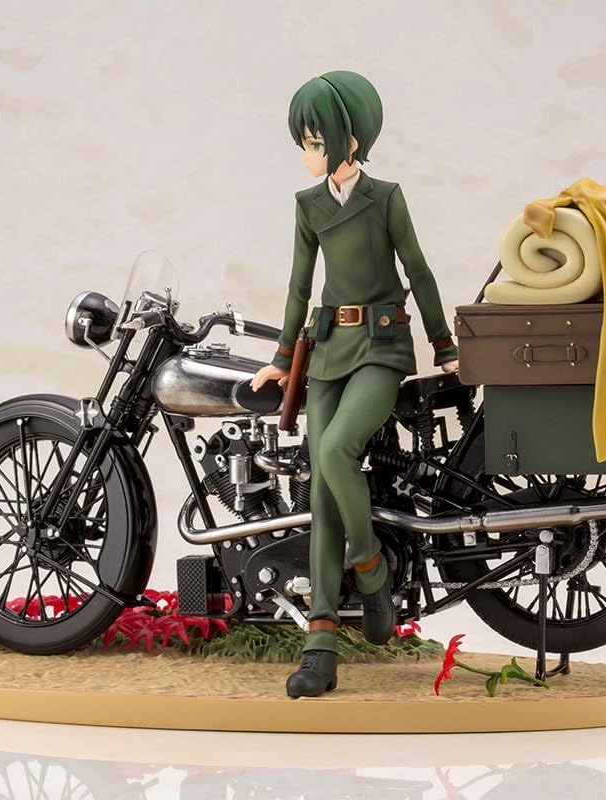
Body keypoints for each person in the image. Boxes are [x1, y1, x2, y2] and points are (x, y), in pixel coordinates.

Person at [250, 70, 459, 698]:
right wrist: (282, 357)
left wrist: (444, 346)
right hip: (327, 352)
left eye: (315, 142)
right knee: (320, 490)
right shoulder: (308, 205)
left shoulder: (386, 197)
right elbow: (298, 285)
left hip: (381, 349)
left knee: (338, 449)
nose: (307, 154)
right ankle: (320, 646)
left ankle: (369, 570)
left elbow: (418, 269)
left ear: (350, 139)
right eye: (303, 143)